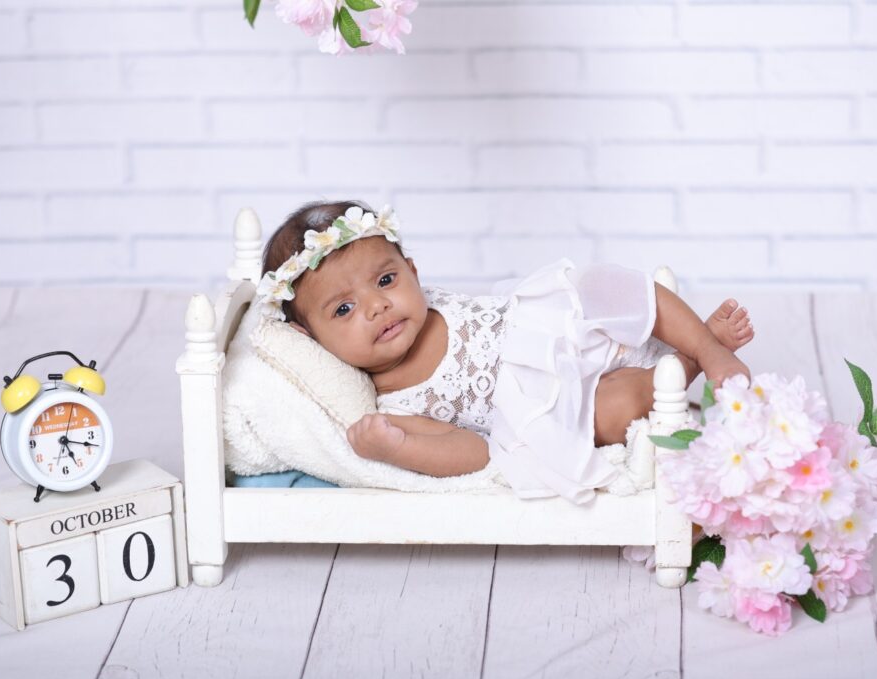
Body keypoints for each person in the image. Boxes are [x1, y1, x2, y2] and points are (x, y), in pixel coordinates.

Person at [258, 200, 753, 503]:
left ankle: (707, 348)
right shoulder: (392, 406)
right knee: (611, 410)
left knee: (600, 283)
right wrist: (394, 447)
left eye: (386, 280)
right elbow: (475, 453)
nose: (377, 306)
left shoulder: (434, 306)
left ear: (413, 271)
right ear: (310, 338)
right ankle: (685, 366)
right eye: (344, 309)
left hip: (562, 332)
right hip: (563, 403)